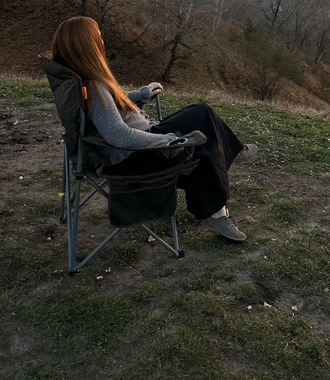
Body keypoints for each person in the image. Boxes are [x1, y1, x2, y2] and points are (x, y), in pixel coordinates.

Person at [51, 16, 257, 241]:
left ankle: (218, 204)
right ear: (88, 44)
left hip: (140, 140)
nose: (102, 38)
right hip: (134, 155)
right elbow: (118, 135)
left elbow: (107, 111)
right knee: (202, 120)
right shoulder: (93, 87)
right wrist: (167, 141)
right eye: (98, 35)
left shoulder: (82, 80)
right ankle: (222, 194)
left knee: (202, 125)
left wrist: (140, 95)